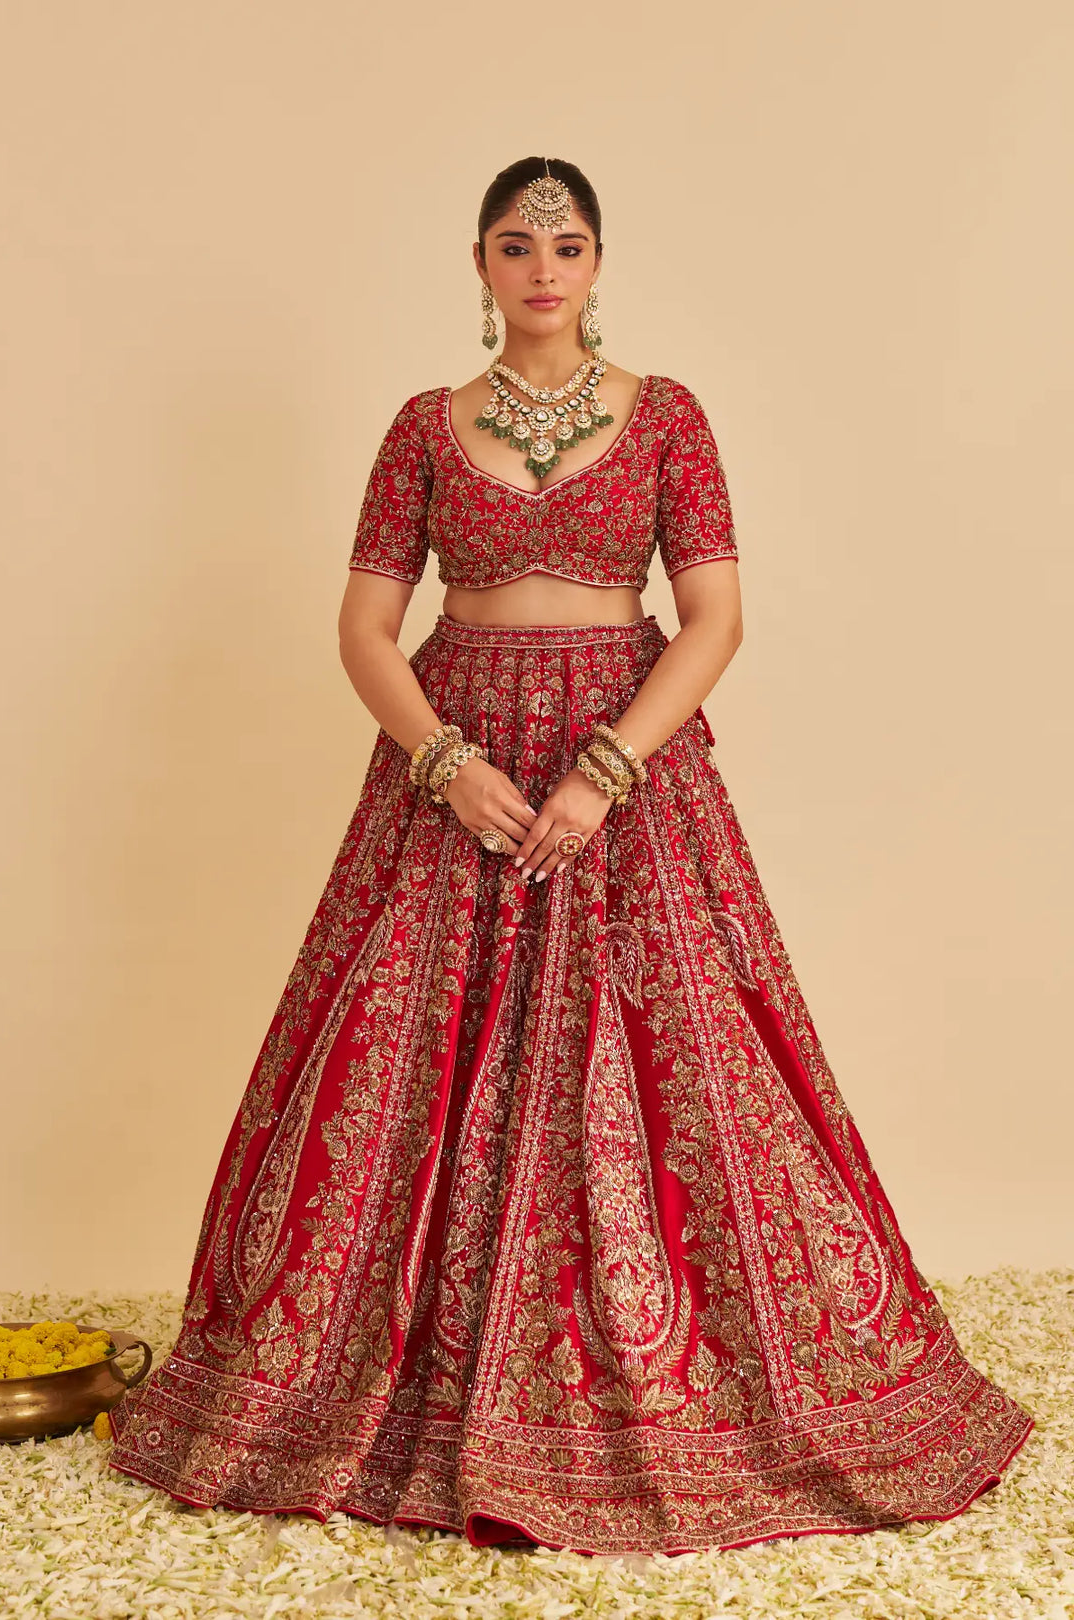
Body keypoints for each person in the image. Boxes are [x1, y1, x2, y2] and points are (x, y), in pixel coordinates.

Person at [106, 155, 1034, 1558]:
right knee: (395, 1064)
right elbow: (365, 630)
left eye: (571, 242)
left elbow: (713, 618)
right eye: (516, 243)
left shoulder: (668, 418)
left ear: (601, 265)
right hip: (456, 761)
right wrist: (446, 762)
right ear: (477, 267)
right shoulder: (423, 429)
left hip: (625, 764)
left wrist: (606, 768)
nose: (544, 266)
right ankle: (377, 1384)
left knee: (677, 1057)